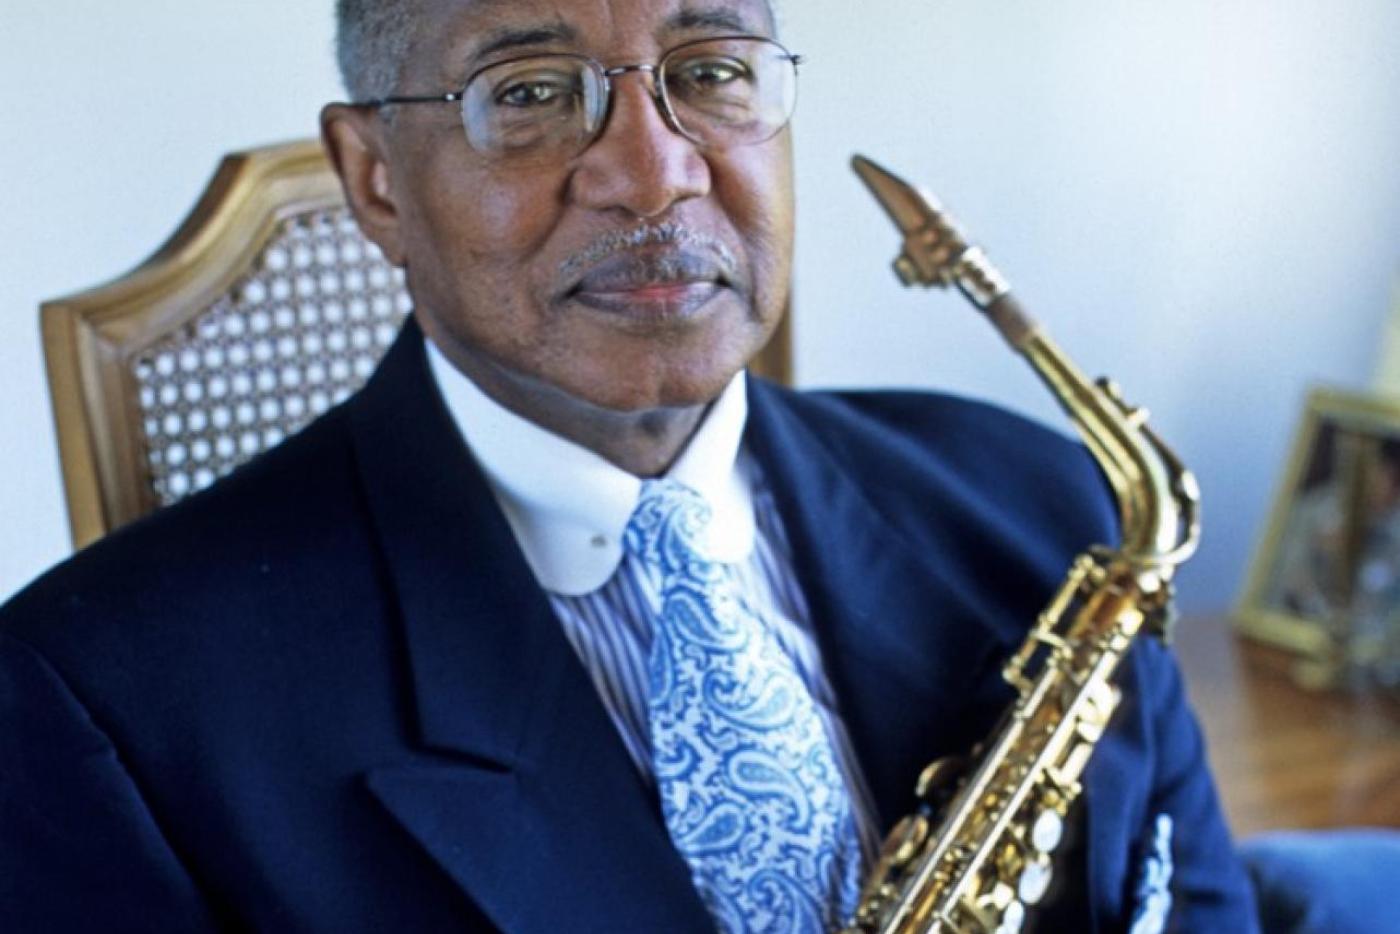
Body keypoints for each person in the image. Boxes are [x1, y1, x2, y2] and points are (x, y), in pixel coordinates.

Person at [0, 1, 1257, 931]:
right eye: (531, 91)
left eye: (708, 72)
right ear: (375, 182)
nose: (658, 171)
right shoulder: (96, 702)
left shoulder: (1048, 498)